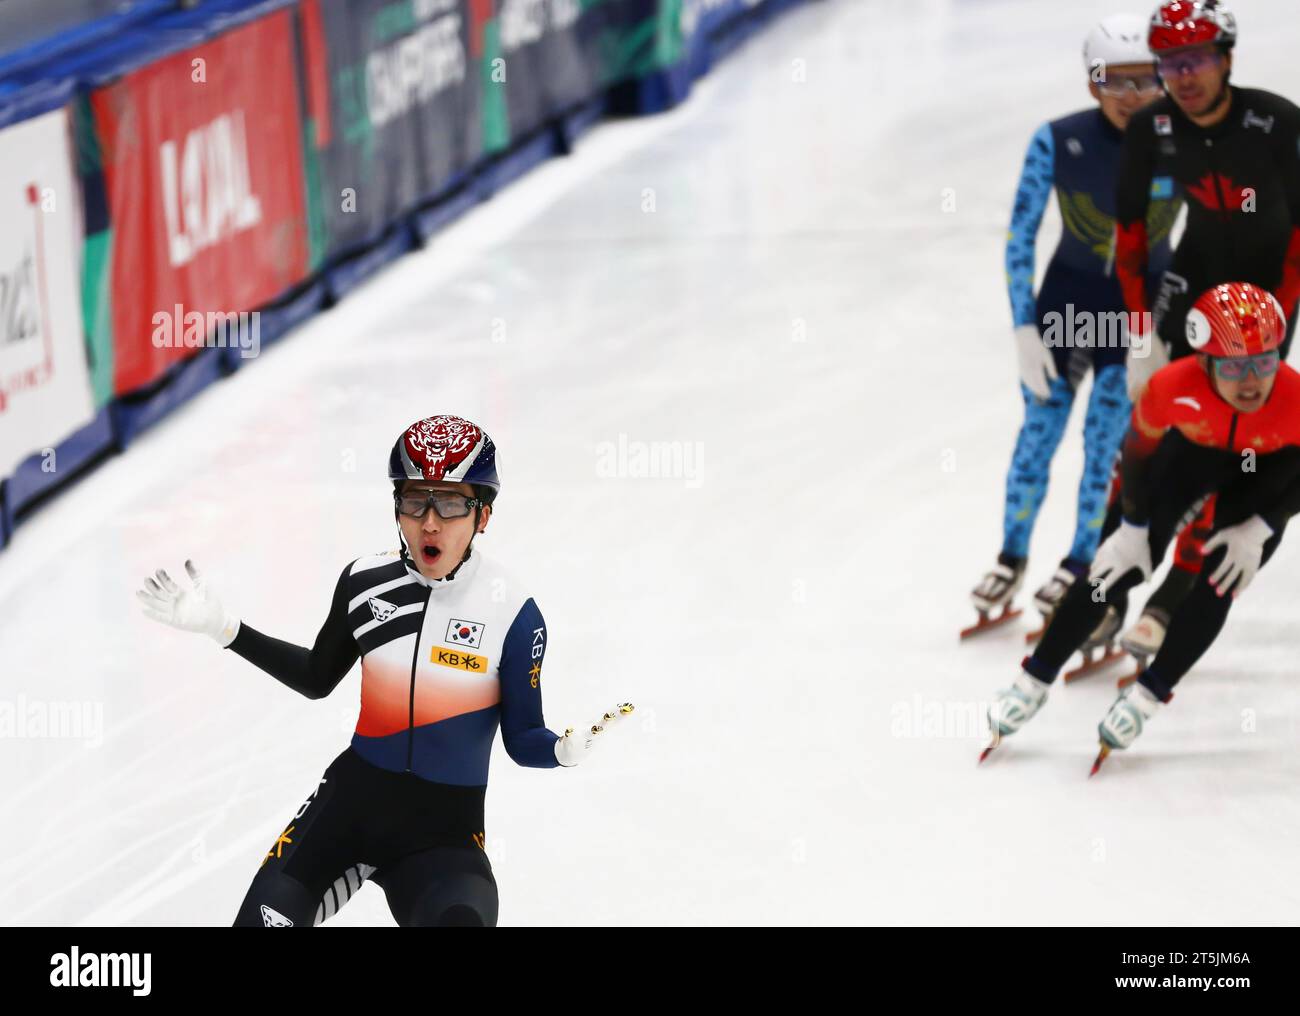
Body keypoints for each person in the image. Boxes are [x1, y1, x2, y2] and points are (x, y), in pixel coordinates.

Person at [136, 414, 632, 926]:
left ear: (483, 516)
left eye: (453, 503)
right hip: (348, 809)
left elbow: (521, 737)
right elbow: (315, 677)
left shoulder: (513, 612)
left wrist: (557, 750)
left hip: (444, 839)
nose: (431, 522)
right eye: (416, 501)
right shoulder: (363, 582)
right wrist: (226, 628)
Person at [984, 283, 1300, 764]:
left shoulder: (1294, 399)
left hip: (1266, 477)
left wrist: (1263, 523)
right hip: (1189, 460)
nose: (1253, 380)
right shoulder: (1172, 386)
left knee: (1222, 580)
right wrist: (1131, 526)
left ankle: (1148, 696)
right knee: (1108, 572)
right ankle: (1033, 679)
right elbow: (1135, 457)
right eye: (1236, 366)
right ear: (1206, 362)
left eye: (1264, 362)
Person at [969, 14, 1178, 635]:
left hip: (1137, 322)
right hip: (1065, 310)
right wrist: (1023, 327)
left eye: (1145, 82)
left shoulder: (1185, 141)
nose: (1131, 96)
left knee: (1105, 448)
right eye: (1116, 82)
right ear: (1093, 84)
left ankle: (1080, 562)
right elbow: (1018, 238)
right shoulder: (1057, 140)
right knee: (1038, 438)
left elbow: (1226, 223)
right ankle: (1011, 557)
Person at [1113, 0, 1300, 658]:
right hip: (1194, 279)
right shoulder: (1153, 125)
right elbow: (1130, 230)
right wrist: (1142, 328)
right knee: (1152, 422)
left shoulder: (1276, 123)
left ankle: (1169, 603)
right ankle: (1109, 583)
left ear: (1226, 60)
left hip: (1264, 296)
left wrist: (1270, 325)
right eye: (1168, 64)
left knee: (1228, 442)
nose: (1182, 76)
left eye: (1194, 61)